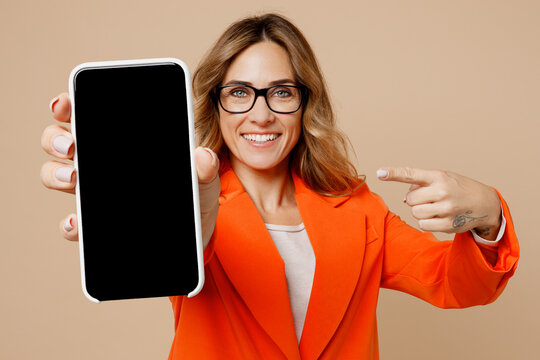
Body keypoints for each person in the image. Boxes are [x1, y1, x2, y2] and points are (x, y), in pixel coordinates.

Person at [41, 13, 519, 360]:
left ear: (305, 103)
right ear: (216, 103)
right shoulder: (187, 203)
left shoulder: (359, 209)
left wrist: (489, 215)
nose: (261, 113)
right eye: (240, 93)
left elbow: (454, 284)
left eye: (282, 92)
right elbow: (164, 251)